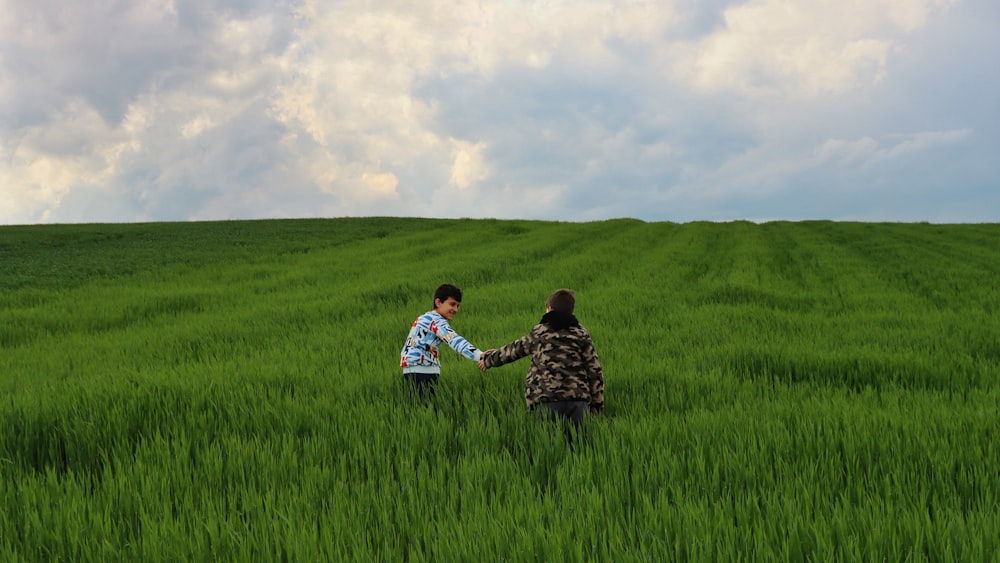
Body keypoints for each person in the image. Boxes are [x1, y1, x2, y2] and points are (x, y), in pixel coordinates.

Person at [478, 289, 604, 433]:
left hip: (546, 400)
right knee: (578, 448)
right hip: (577, 403)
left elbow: (514, 350)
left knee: (548, 448)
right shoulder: (582, 334)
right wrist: (596, 406)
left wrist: (489, 360)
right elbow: (595, 371)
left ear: (550, 309)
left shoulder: (540, 331)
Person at [400, 283, 486, 398]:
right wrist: (479, 355)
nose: (455, 309)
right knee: (427, 409)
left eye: (458, 306)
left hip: (410, 369)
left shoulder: (424, 318)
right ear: (438, 302)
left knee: (416, 409)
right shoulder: (436, 321)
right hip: (424, 371)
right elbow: (453, 340)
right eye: (452, 304)